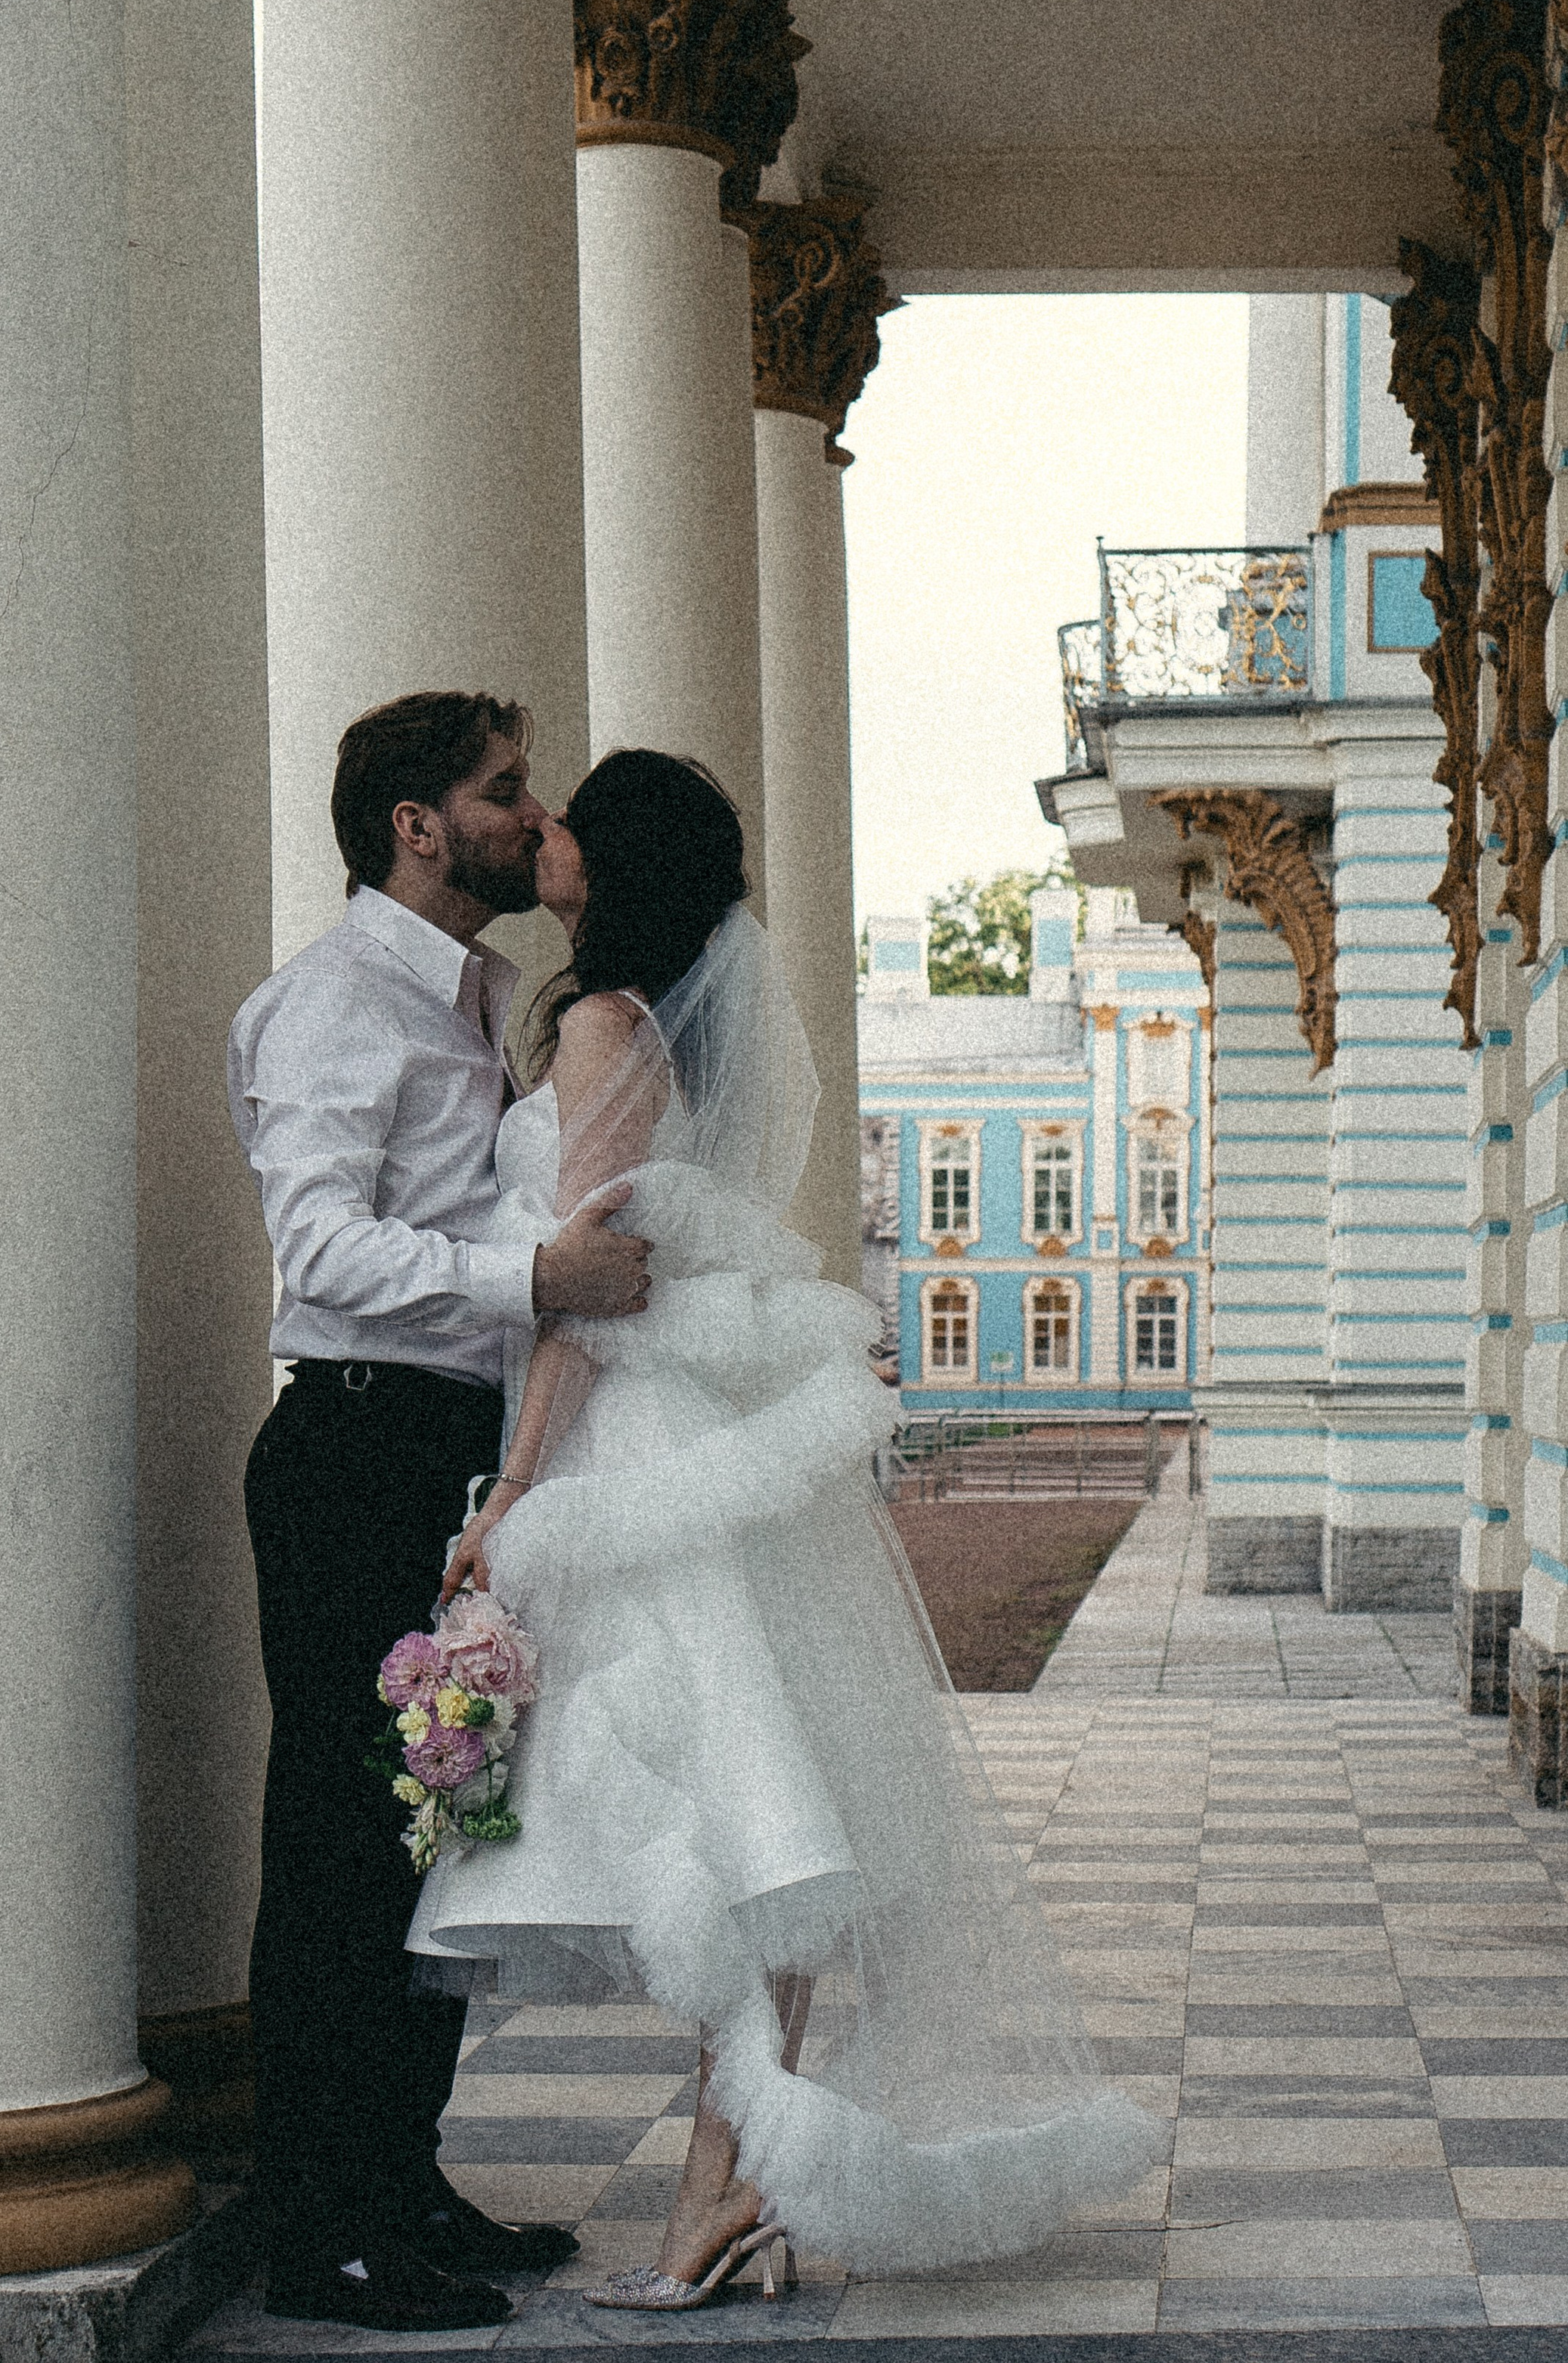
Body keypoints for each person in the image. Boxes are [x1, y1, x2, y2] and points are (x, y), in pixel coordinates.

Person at [411, 749, 1163, 2303]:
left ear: (605, 869)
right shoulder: (649, 1021)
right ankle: (731, 2176)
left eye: (561, 826)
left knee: (741, 1815)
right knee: (757, 1814)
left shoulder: (606, 1027)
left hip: (633, 1446)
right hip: (694, 1439)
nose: (537, 833)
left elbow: (590, 1285)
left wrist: (512, 1495)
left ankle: (724, 2179)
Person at [227, 692, 655, 2334]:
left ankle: (396, 2181)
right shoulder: (333, 1005)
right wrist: (530, 1274)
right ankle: (318, 2236)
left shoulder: (462, 997)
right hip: (349, 1451)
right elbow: (319, 1253)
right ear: (413, 823)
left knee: (428, 1833)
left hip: (438, 1453)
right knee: (338, 1853)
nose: (524, 812)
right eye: (500, 791)